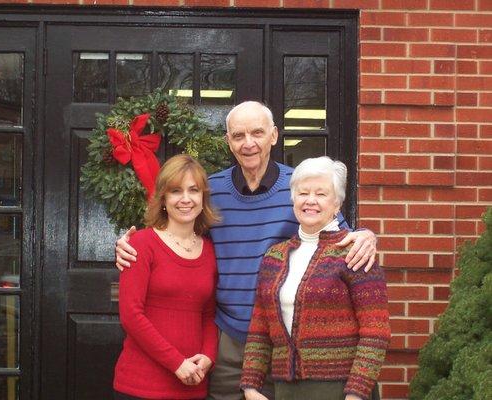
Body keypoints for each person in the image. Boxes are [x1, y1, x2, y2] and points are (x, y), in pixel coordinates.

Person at [115, 102, 378, 400]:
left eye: (257, 133)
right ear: (228, 141)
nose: (248, 143)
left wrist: (366, 235)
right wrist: (130, 242)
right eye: (238, 135)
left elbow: (337, 235)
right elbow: (177, 237)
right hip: (227, 336)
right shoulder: (210, 191)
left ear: (274, 136)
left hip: (280, 338)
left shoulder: (299, 189)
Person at [241, 156, 390, 400]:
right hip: (286, 389)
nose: (310, 200)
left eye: (321, 194)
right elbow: (259, 328)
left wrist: (357, 393)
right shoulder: (274, 257)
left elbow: (376, 332)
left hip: (340, 390)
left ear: (337, 204)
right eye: (303, 193)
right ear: (293, 199)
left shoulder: (355, 253)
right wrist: (250, 386)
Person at [113, 154, 220, 400]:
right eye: (175, 191)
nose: (185, 199)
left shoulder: (211, 251)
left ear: (203, 198)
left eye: (193, 190)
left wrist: (208, 356)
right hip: (141, 386)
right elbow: (131, 315)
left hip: (192, 385)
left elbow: (208, 313)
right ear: (163, 198)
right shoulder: (140, 243)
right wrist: (176, 363)